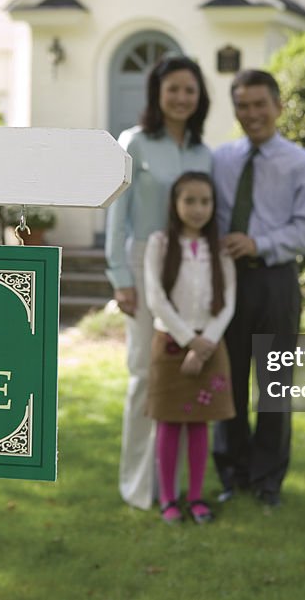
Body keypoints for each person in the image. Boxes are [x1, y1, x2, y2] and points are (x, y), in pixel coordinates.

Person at [211, 69, 305, 507]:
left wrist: (260, 243)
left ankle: (268, 482)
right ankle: (232, 473)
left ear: (279, 106)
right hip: (227, 281)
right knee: (229, 382)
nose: (252, 113)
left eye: (260, 104)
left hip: (275, 279)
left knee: (274, 384)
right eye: (243, 105)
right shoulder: (220, 160)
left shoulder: (302, 164)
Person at [104, 55, 213, 510]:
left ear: (199, 96)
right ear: (157, 93)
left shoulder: (203, 152)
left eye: (190, 90)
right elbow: (117, 213)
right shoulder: (133, 143)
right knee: (144, 373)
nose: (181, 98)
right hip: (143, 261)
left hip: (190, 265)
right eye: (173, 89)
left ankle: (181, 486)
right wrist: (120, 276)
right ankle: (138, 487)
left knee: (186, 372)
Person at [144, 171, 236, 524]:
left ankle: (196, 497)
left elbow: (228, 302)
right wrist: (189, 340)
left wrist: (206, 342)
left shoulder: (221, 249)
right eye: (190, 201)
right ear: (175, 204)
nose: (198, 209)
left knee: (200, 423)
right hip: (171, 343)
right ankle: (169, 499)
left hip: (211, 344)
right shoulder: (160, 244)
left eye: (205, 201)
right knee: (168, 422)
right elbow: (156, 298)